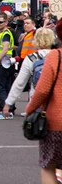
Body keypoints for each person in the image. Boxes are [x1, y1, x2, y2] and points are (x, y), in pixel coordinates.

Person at [25, 47, 62, 184]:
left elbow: (42, 90)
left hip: (56, 122)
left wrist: (30, 109)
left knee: (48, 165)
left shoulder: (56, 56)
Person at [3, 26, 57, 118]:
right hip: (56, 100)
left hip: (36, 100)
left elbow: (20, 82)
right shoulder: (58, 56)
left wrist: (8, 103)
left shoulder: (31, 58)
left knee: (37, 128)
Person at [0, 14, 15, 119]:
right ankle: (10, 108)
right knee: (8, 87)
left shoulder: (5, 34)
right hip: (7, 63)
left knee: (1, 88)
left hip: (2, 64)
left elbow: (5, 48)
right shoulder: (1, 33)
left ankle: (5, 111)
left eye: (1, 22)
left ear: (6, 23)